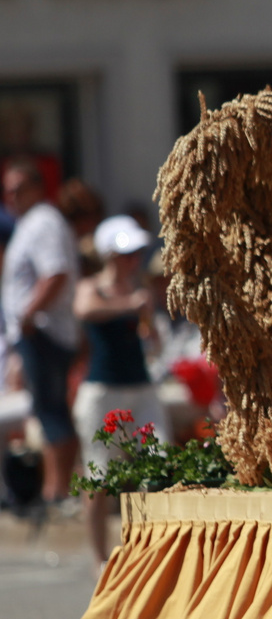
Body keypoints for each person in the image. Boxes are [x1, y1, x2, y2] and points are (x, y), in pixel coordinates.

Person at [71, 216, 167, 569]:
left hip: (140, 388)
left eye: (137, 252)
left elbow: (152, 341)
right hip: (103, 392)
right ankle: (99, 559)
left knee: (157, 465)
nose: (134, 259)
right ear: (110, 255)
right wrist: (131, 305)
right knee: (98, 474)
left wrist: (147, 319)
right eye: (126, 253)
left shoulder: (140, 290)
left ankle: (148, 553)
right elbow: (85, 309)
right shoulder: (92, 287)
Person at [0, 161, 81, 504]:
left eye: (18, 189)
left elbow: (56, 273)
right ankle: (56, 488)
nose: (11, 197)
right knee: (47, 411)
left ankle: (58, 490)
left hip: (44, 332)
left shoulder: (43, 222)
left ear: (37, 188)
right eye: (7, 190)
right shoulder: (32, 224)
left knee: (51, 412)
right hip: (38, 331)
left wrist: (29, 316)